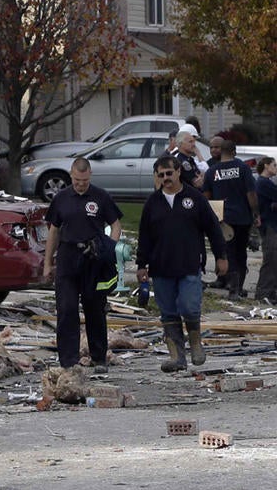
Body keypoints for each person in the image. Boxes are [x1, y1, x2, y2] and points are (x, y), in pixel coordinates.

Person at [137, 155, 228, 371]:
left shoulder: (195, 198)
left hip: (189, 264)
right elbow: (144, 237)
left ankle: (195, 343)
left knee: (189, 307)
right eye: (161, 175)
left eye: (169, 173)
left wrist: (221, 256)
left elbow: (214, 230)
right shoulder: (152, 203)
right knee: (168, 312)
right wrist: (141, 265)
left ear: (178, 171)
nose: (166, 178)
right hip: (160, 268)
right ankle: (177, 357)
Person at [43, 157, 122, 374]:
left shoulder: (100, 196)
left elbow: (116, 223)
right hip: (68, 256)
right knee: (67, 309)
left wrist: (110, 247)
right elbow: (54, 231)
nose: (81, 184)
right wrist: (47, 263)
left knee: (95, 308)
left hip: (93, 257)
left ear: (90, 176)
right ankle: (69, 360)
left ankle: (98, 357)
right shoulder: (61, 198)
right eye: (77, 180)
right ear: (71, 176)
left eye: (85, 181)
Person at [204, 139, 258, 298]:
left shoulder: (212, 171)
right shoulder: (243, 168)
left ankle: (233, 289)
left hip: (223, 219)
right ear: (234, 151)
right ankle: (238, 288)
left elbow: (206, 198)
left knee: (229, 253)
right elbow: (251, 194)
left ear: (221, 152)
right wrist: (256, 213)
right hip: (242, 218)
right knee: (241, 252)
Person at [252, 157, 277, 302]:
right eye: (274, 165)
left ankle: (271, 292)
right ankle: (263, 293)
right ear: (266, 166)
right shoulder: (263, 183)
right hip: (269, 226)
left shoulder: (266, 183)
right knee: (271, 259)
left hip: (271, 225)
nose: (276, 167)